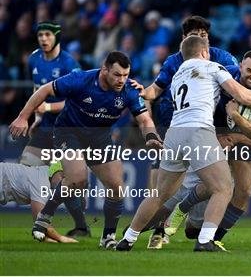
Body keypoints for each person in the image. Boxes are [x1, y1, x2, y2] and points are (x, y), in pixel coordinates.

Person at [116, 36, 251, 252]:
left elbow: (154, 93)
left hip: (175, 134)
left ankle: (128, 239)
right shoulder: (213, 67)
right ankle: (205, 241)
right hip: (199, 131)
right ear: (205, 52)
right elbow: (240, 94)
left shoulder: (178, 75)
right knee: (223, 188)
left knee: (159, 194)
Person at [9, 51, 162, 249]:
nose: (121, 80)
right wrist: (23, 117)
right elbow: (44, 90)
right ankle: (45, 216)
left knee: (117, 188)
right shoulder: (80, 79)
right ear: (104, 69)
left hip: (99, 137)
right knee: (77, 179)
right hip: (69, 132)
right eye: (117, 74)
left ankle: (107, 237)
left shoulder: (129, 89)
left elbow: (144, 119)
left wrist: (150, 135)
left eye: (125, 75)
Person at [146, 15, 238, 192]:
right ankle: (159, 218)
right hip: (175, 123)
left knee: (222, 186)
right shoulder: (174, 61)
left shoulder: (222, 58)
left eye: (204, 34)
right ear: (184, 39)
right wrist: (141, 93)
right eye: (195, 34)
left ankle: (188, 212)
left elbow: (238, 85)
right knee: (161, 190)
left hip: (213, 125)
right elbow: (154, 90)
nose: (200, 38)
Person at [25, 21, 90, 239]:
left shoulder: (68, 63)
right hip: (44, 127)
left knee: (60, 178)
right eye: (40, 34)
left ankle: (81, 226)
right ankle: (42, 222)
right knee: (25, 168)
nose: (43, 38)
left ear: (57, 37)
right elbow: (37, 90)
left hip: (66, 128)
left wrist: (48, 107)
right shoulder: (34, 59)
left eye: (48, 35)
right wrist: (37, 115)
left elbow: (79, 99)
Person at [0, 162, 77, 243]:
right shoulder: (42, 182)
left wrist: (45, 238)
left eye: (67, 181)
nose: (63, 183)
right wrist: (61, 238)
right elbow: (40, 220)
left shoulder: (45, 175)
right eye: (62, 177)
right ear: (54, 172)